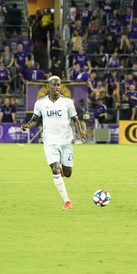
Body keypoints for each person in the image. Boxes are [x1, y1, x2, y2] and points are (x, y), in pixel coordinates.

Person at [21, 76, 88, 209]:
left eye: (59, 85)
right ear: (49, 86)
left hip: (65, 142)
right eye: (54, 85)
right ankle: (67, 201)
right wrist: (28, 125)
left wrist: (80, 132)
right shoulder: (40, 103)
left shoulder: (67, 102)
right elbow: (35, 119)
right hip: (49, 142)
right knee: (55, 169)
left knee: (68, 173)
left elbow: (75, 119)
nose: (57, 87)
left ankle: (63, 169)